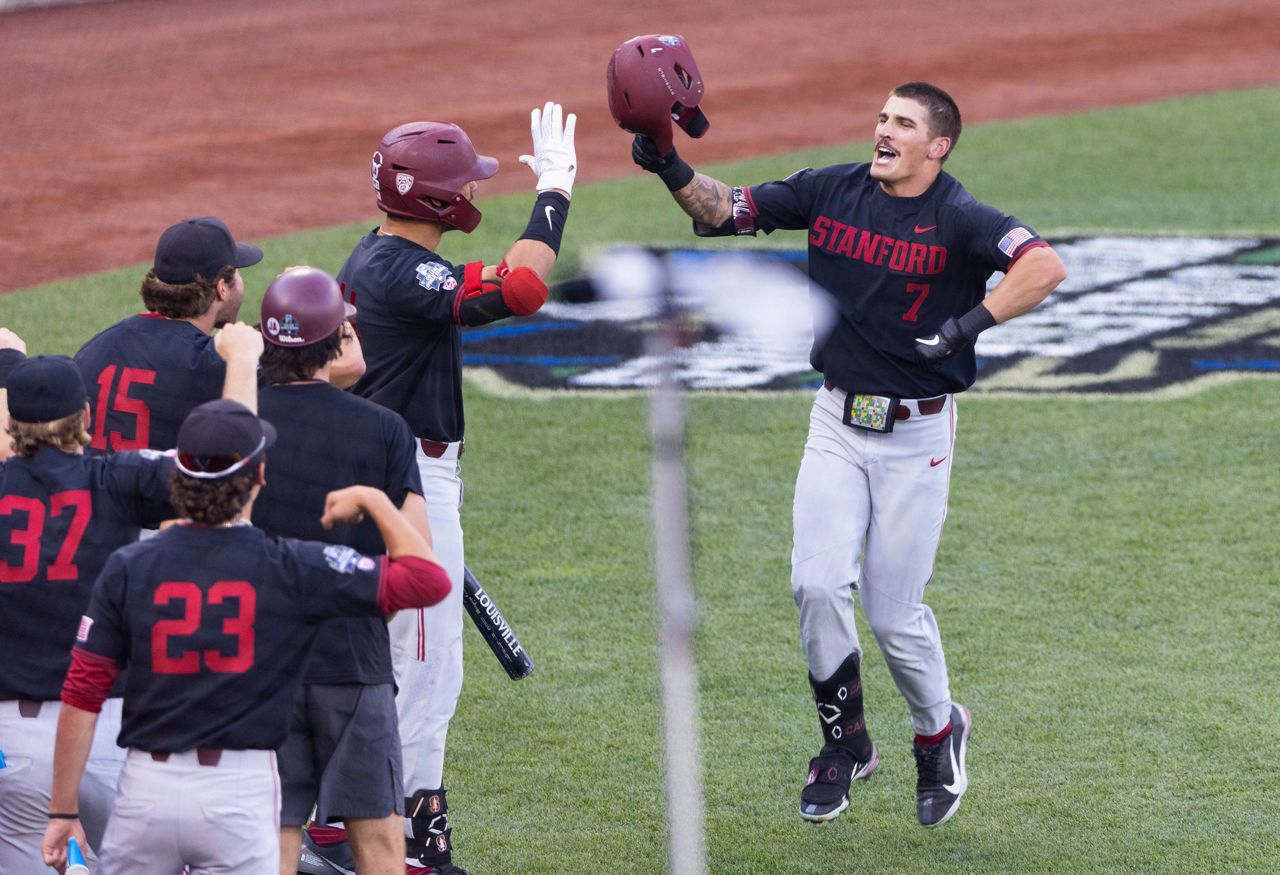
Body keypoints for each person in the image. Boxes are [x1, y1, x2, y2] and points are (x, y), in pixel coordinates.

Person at [629, 81, 1067, 827]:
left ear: (938, 146)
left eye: (904, 123)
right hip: (835, 421)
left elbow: (1044, 266)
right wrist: (669, 163)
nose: (884, 131)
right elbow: (727, 210)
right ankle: (845, 743)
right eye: (882, 117)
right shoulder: (831, 189)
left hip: (918, 438)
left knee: (894, 618)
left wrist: (965, 326)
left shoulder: (961, 217)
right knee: (816, 583)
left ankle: (937, 731)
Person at [39, 398, 454, 875]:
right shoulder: (288, 565)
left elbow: (83, 691)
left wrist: (62, 810)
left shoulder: (128, 566)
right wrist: (376, 500)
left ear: (176, 476)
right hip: (240, 793)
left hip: (145, 790)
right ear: (258, 476)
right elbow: (428, 581)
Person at [337, 102, 576, 874]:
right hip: (411, 483)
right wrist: (555, 193)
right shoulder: (403, 271)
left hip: (388, 474)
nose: (475, 189)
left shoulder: (374, 257)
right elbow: (522, 288)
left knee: (404, 666)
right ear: (437, 199)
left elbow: (486, 283)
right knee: (424, 671)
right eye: (465, 181)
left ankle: (387, 830)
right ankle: (401, 841)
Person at [0, 327, 262, 873]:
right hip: (105, 732)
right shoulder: (117, 478)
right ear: (86, 416)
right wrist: (242, 360)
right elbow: (225, 468)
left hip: (11, 742)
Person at [250, 266, 427, 875]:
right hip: (353, 658)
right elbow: (417, 562)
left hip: (262, 662)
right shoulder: (384, 429)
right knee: (379, 841)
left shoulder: (238, 424)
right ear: (336, 340)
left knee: (274, 836)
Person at [74, 215, 265, 453]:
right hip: (164, 478)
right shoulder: (213, 365)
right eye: (237, 273)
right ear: (222, 289)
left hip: (94, 476)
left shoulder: (93, 349)